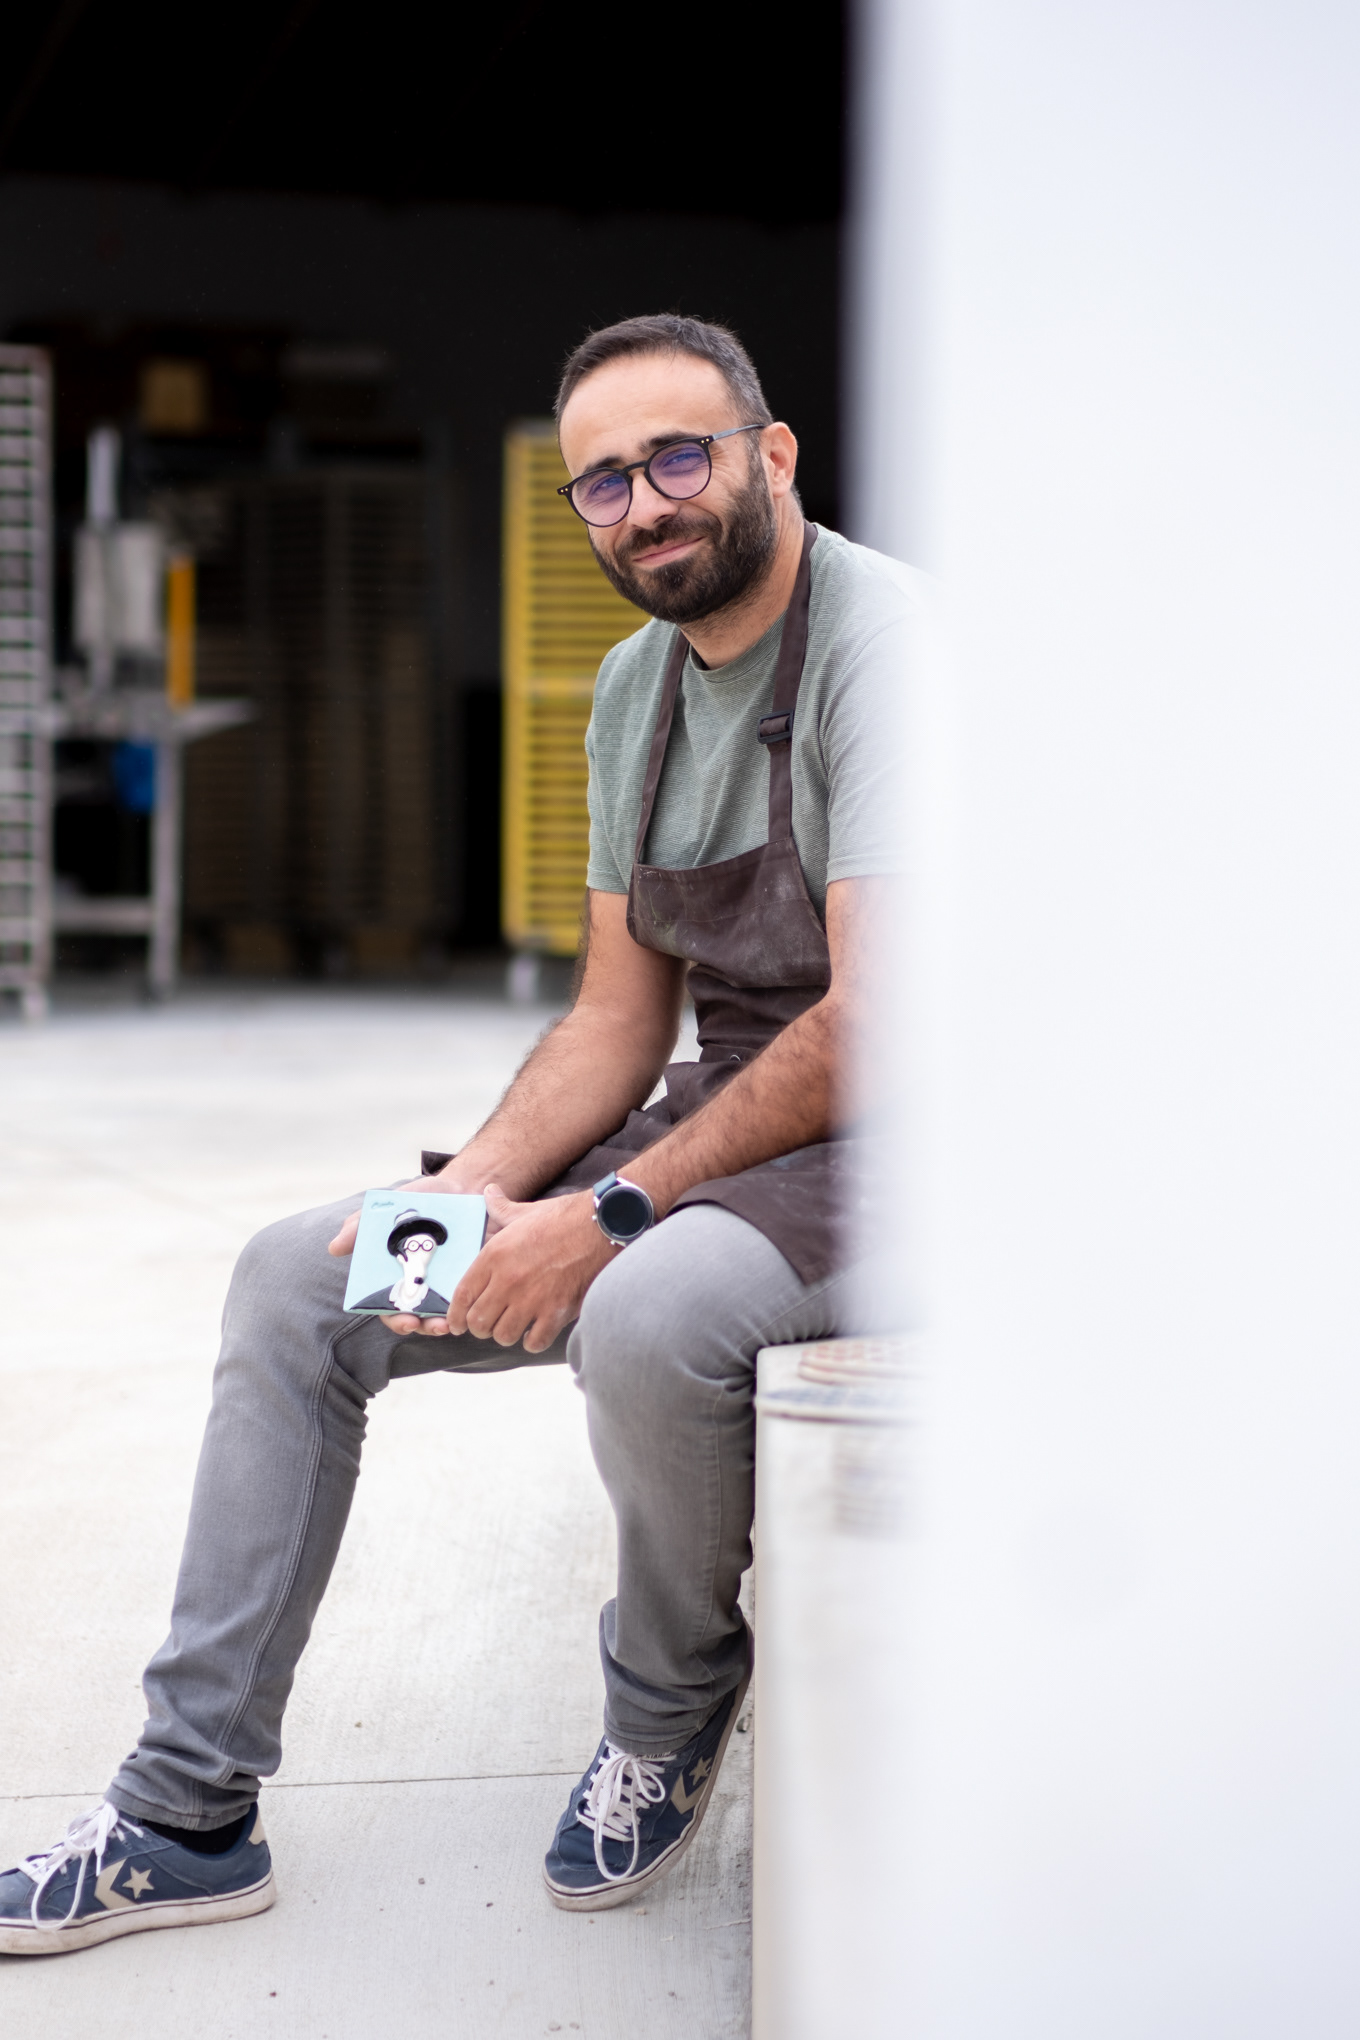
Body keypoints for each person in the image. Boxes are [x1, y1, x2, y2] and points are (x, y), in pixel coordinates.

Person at [0, 313, 925, 1955]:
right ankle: (186, 1809)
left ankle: (668, 1707)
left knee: (644, 1312)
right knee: (299, 1279)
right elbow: (618, 1023)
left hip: (926, 1143)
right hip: (732, 1119)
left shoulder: (890, 645)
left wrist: (612, 1215)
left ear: (772, 455)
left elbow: (877, 1021)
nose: (643, 506)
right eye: (602, 483)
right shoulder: (636, 691)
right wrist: (466, 1196)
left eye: (678, 458)